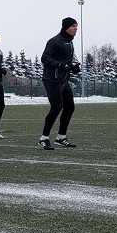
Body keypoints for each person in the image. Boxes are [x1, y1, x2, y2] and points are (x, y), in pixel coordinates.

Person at [38, 17, 80, 150]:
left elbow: (66, 62)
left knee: (69, 107)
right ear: (66, 27)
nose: (75, 28)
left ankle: (61, 137)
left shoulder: (69, 42)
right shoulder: (54, 41)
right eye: (73, 26)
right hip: (52, 79)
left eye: (76, 26)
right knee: (56, 107)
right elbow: (45, 58)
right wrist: (61, 64)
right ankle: (44, 138)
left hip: (63, 79)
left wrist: (73, 67)